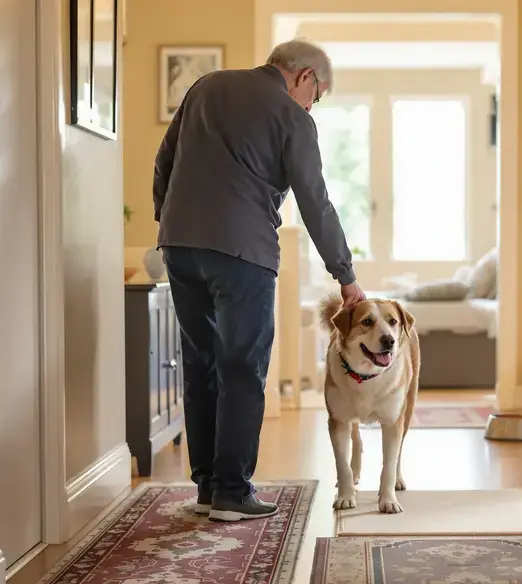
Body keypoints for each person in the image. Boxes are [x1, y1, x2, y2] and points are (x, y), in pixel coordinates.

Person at [153, 38, 366, 522]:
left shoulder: (206, 87)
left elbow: (164, 161)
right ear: (306, 77)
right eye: (317, 97)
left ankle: (207, 486)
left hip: (179, 245)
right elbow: (315, 201)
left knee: (201, 362)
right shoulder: (293, 117)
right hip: (241, 251)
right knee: (242, 366)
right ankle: (232, 491)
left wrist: (170, 221)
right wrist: (345, 275)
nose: (312, 106)